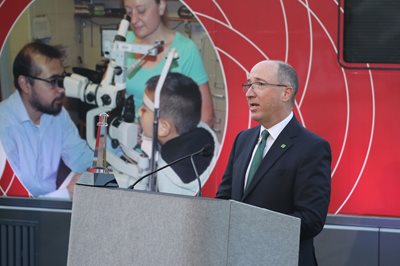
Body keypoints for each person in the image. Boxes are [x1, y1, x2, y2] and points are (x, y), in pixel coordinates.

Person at [216, 60, 331, 266]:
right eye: (248, 84)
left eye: (259, 84)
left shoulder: (312, 148)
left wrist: (251, 227)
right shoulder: (243, 139)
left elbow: (311, 220)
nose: (249, 93)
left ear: (286, 93)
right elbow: (224, 198)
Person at [0, 41, 93, 199]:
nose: (61, 89)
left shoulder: (57, 114)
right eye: (52, 82)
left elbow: (82, 158)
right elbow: (12, 203)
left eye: (62, 80)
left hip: (50, 206)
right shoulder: (4, 126)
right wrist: (67, 194)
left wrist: (112, 155)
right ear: (25, 84)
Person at [123, 0, 215, 126]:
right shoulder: (123, 42)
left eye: (141, 11)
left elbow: (206, 117)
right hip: (120, 138)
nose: (133, 20)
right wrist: (102, 132)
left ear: (161, 6)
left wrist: (177, 145)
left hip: (166, 143)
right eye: (129, 12)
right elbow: (104, 101)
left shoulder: (185, 50)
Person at [139, 72, 219, 195]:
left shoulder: (169, 175)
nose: (139, 112)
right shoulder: (204, 132)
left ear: (163, 127)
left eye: (144, 109)